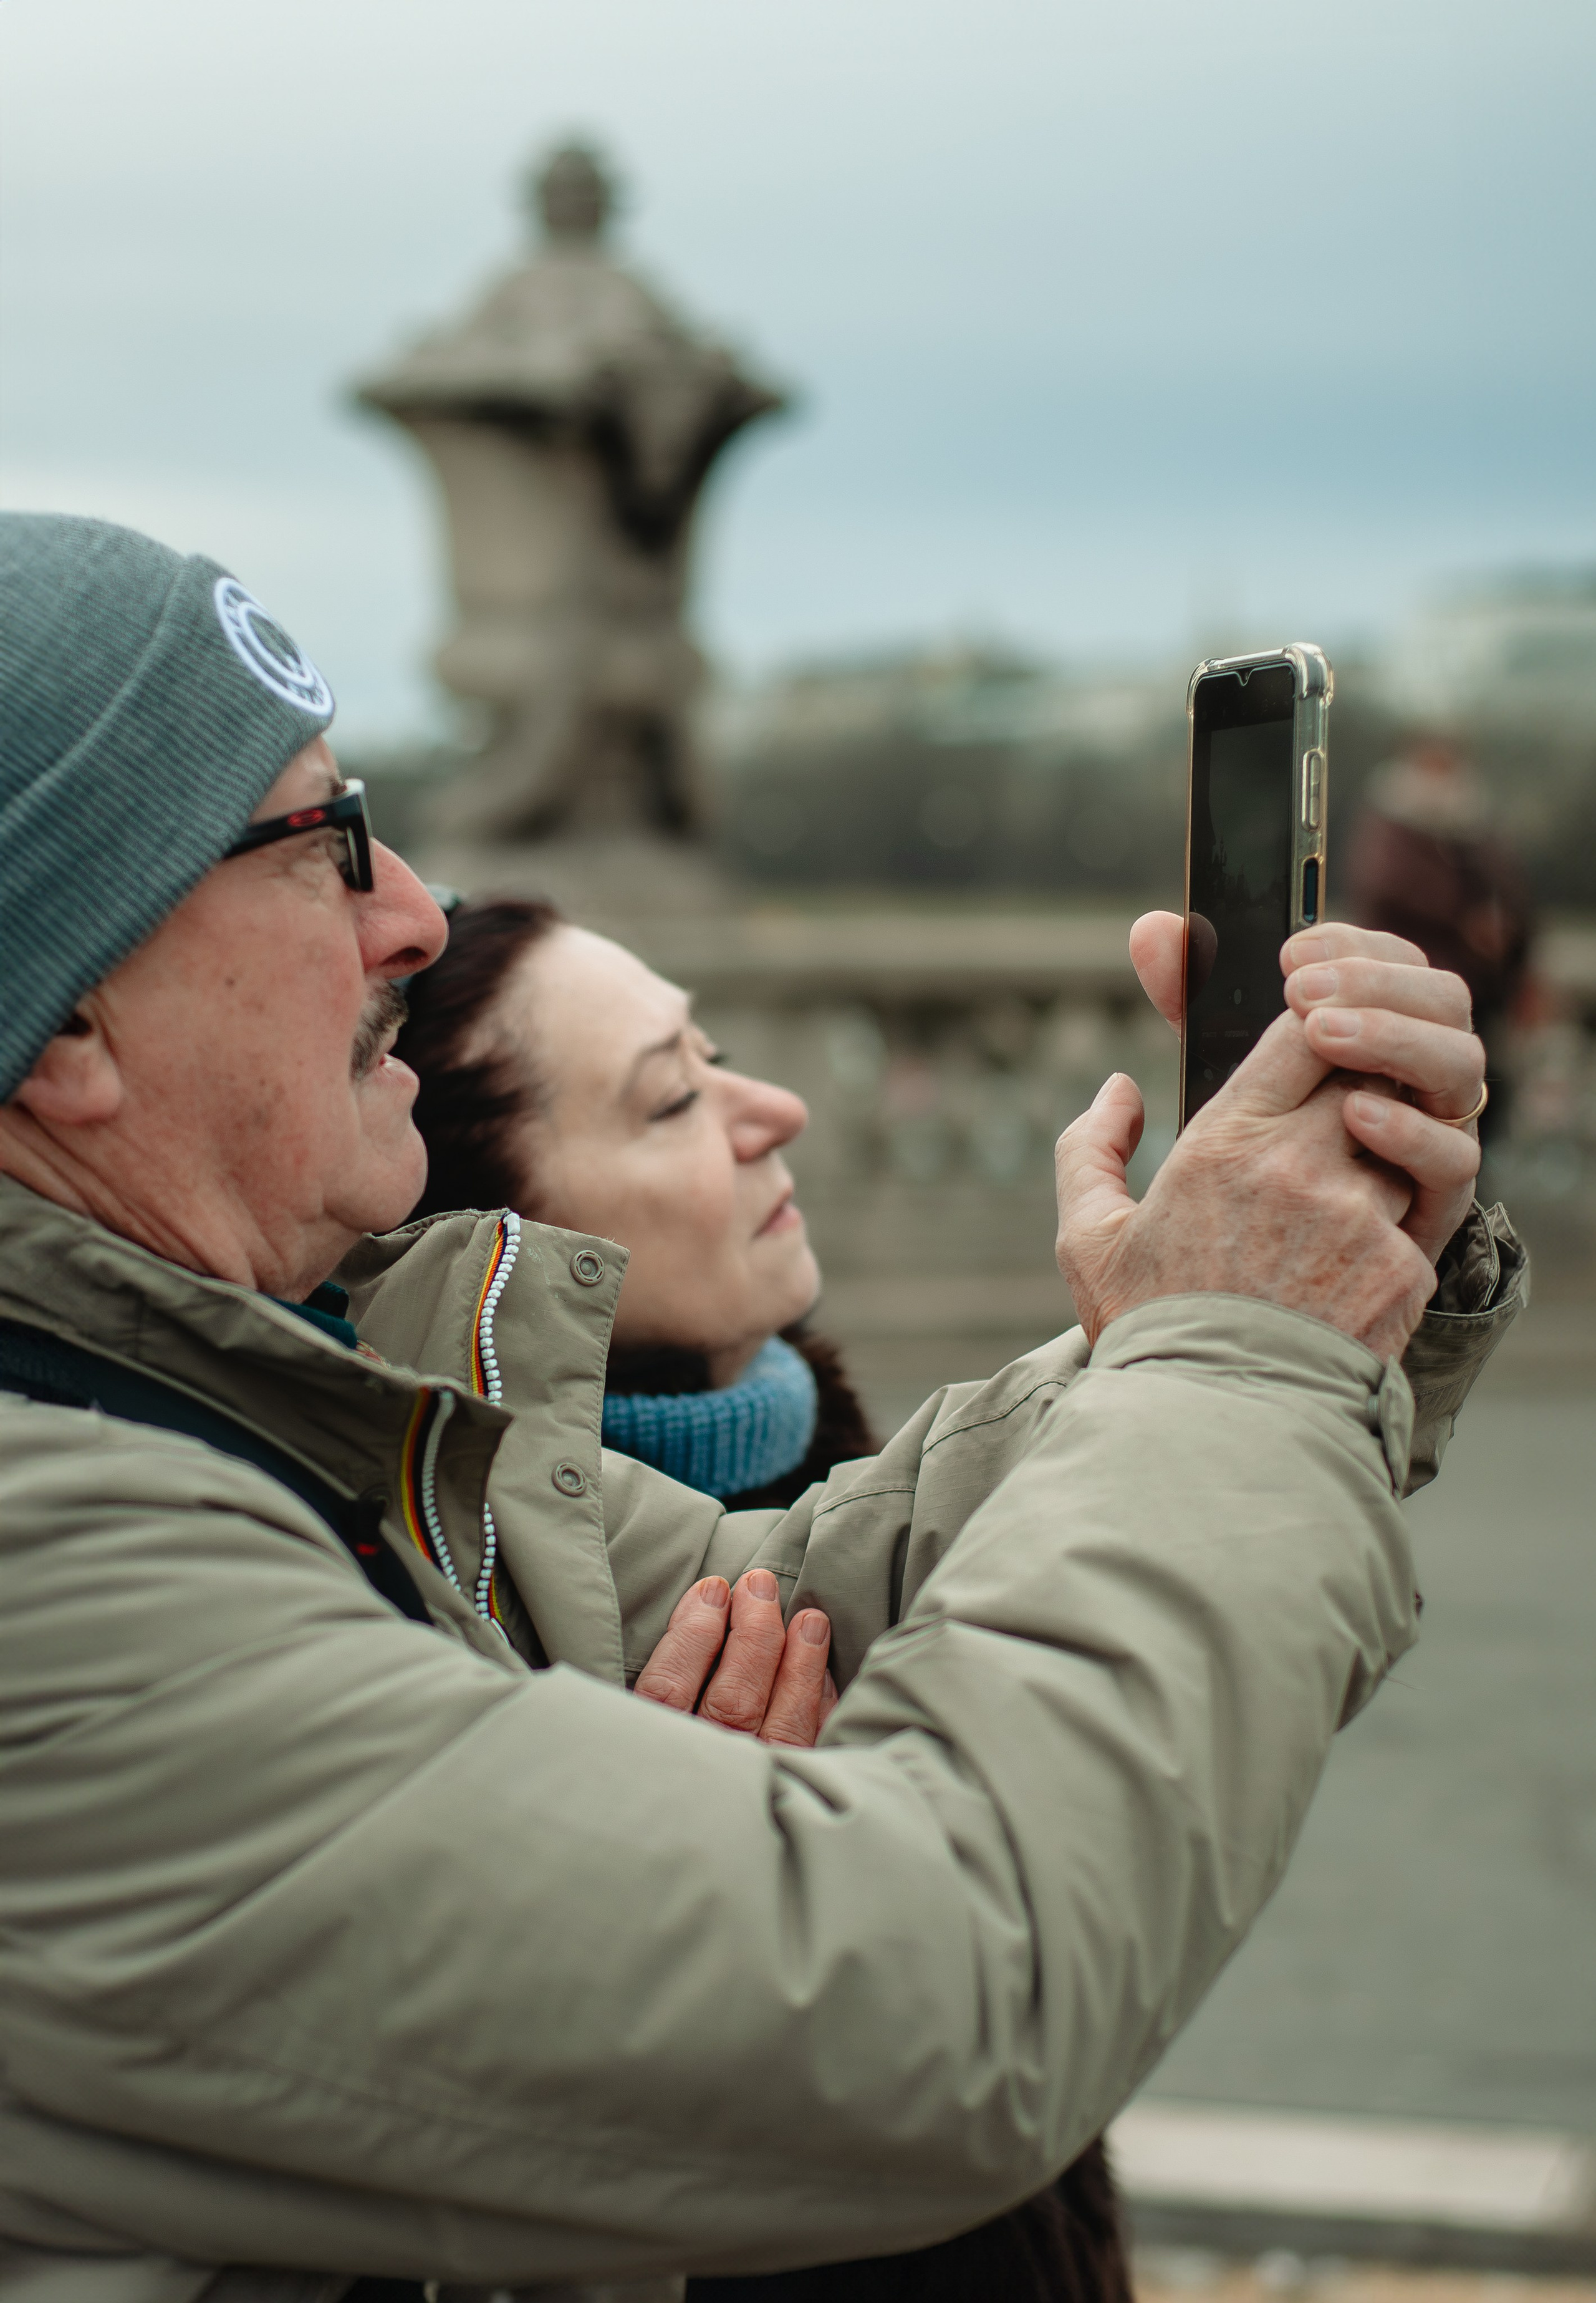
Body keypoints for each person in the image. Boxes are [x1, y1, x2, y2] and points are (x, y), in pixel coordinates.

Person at [0, 514, 1524, 2303]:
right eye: (319, 842)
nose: (410, 910)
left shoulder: (223, 1385)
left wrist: (1292, 1300)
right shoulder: (59, 1570)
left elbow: (799, 1590)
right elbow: (939, 1992)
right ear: (66, 1031)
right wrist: (1236, 1349)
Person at [393, 896, 1131, 2303]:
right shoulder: (474, 1610)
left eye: (716, 1051)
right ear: (497, 1246)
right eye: (674, 1098)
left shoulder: (861, 1461)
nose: (777, 1107)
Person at [1345, 733, 1534, 1147]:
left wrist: (1506, 928)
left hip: (1482, 986)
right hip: (1414, 979)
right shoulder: (1391, 821)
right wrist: (1463, 919)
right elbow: (1389, 884)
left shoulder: (1473, 824)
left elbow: (1508, 886)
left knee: (1482, 1085)